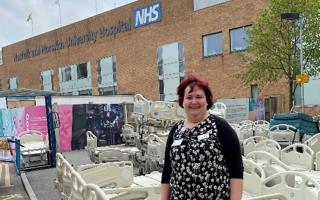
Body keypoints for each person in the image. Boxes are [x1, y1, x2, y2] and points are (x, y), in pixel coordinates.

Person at [161, 74, 243, 200]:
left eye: (199, 97)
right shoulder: (176, 130)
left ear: (207, 100)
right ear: (182, 101)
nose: (194, 101)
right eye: (189, 97)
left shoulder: (221, 127)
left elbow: (236, 171)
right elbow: (167, 172)